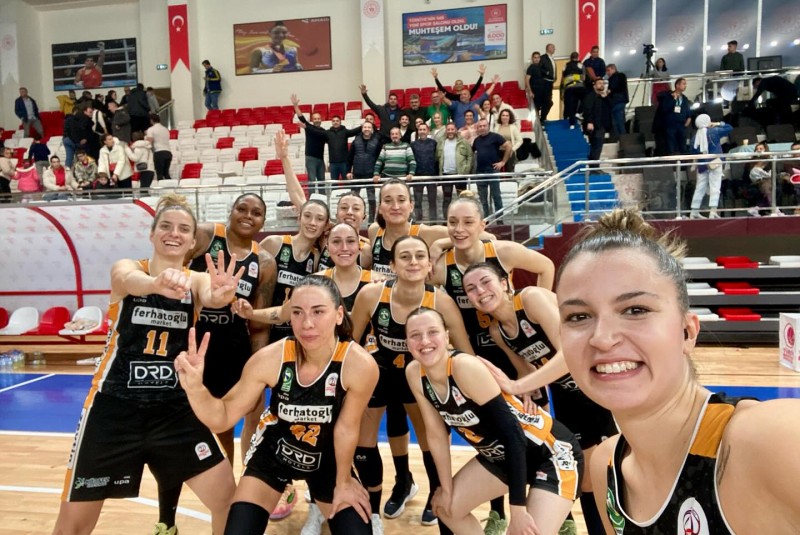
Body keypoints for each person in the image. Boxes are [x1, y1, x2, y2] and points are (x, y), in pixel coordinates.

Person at [556, 208, 800, 533]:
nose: (602, 338)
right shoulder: (606, 466)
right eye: (578, 316)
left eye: (635, 310)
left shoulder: (771, 439)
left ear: (687, 332)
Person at [52, 195, 239, 535]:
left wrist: (222, 295)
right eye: (165, 226)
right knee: (73, 526)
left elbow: (210, 294)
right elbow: (127, 280)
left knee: (228, 498)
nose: (174, 233)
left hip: (173, 409)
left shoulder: (195, 280)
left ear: (192, 241)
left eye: (184, 229)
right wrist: (155, 284)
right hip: (113, 409)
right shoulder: (128, 269)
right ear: (152, 234)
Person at [174, 274, 376, 535]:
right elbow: (221, 418)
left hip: (328, 457)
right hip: (274, 453)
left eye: (318, 312)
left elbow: (347, 428)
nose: (307, 323)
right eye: (297, 312)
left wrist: (344, 481)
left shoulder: (359, 365)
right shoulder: (270, 359)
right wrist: (195, 388)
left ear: (339, 315)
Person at [430, 191, 556, 534]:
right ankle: (498, 512)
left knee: (534, 427)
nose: (459, 228)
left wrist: (541, 309)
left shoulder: (500, 252)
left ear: (482, 225)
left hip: (510, 348)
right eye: (452, 222)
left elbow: (545, 266)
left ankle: (556, 509)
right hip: (474, 356)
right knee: (492, 435)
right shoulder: (441, 265)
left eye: (468, 222)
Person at [152, 194, 277, 535]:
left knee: (222, 433)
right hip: (189, 346)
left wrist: (257, 369)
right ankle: (166, 520)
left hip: (232, 353)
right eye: (242, 209)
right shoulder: (207, 235)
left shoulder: (264, 262)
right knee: (172, 437)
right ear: (230, 211)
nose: (248, 216)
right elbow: (170, 266)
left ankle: (226, 508)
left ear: (263, 221)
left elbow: (258, 324)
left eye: (256, 212)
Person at [462, 261, 615, 535]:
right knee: (588, 481)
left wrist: (517, 384)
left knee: (610, 471)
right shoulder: (497, 332)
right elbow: (527, 371)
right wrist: (528, 396)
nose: (480, 291)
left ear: (505, 283)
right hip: (566, 395)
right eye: (471, 289)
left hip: (598, 383)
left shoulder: (531, 299)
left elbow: (570, 355)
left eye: (486, 282)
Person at [404, 307, 583, 535]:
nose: (424, 341)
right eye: (415, 335)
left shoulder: (463, 366)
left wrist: (517, 510)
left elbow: (514, 436)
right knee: (446, 508)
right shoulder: (414, 373)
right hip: (502, 457)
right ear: (407, 342)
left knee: (522, 532)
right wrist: (446, 489)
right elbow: (436, 434)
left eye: (432, 332)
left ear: (447, 336)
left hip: (551, 453)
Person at [350, 235, 476, 531]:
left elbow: (466, 352)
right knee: (363, 443)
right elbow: (349, 343)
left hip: (421, 376)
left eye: (420, 256)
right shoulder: (371, 294)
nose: (413, 262)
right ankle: (373, 512)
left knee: (431, 438)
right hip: (380, 373)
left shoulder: (441, 302)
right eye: (405, 257)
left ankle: (436, 495)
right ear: (392, 265)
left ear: (430, 264)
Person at [690, 114, 732, 219]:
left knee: (699, 188)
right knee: (715, 187)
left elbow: (693, 152)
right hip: (715, 163)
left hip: (702, 165)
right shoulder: (714, 131)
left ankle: (694, 211)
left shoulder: (694, 138)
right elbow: (729, 128)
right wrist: (717, 123)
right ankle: (713, 211)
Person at [472, 119, 512, 216]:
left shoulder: (495, 137)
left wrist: (503, 162)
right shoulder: (476, 141)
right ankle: (485, 220)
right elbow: (472, 152)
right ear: (478, 128)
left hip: (492, 170)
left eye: (484, 125)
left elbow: (509, 146)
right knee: (482, 200)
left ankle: (499, 220)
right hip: (480, 172)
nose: (482, 128)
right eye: (480, 126)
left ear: (488, 126)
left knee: (496, 197)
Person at [347, 121, 384, 222]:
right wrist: (348, 171)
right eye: (365, 127)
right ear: (362, 129)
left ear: (372, 130)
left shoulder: (377, 141)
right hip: (357, 174)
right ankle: (353, 219)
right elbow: (350, 157)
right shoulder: (356, 141)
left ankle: (371, 221)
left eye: (369, 127)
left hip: (370, 174)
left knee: (371, 199)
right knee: (353, 198)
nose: (367, 129)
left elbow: (380, 158)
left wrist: (378, 173)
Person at [291, 96, 326, 191]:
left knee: (322, 182)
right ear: (312, 120)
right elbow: (301, 117)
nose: (317, 120)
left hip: (320, 159)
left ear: (321, 119)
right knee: (312, 181)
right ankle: (312, 198)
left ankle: (322, 198)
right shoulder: (308, 127)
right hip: (310, 159)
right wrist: (295, 106)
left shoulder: (324, 131)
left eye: (318, 118)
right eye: (315, 119)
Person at [437, 123, 473, 216]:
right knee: (446, 199)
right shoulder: (441, 142)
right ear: (446, 131)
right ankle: (446, 219)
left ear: (456, 130)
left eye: (452, 129)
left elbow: (470, 155)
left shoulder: (463, 142)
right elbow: (437, 157)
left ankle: (464, 217)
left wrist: (466, 169)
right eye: (448, 129)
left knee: (463, 198)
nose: (450, 131)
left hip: (460, 175)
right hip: (446, 176)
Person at [653, 78, 691, 156]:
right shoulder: (668, 96)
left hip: (681, 125)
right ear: (677, 85)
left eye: (685, 84)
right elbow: (664, 109)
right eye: (683, 84)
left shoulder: (684, 98)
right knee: (671, 145)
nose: (685, 86)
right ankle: (671, 159)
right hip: (671, 125)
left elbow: (687, 110)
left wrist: (689, 118)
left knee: (683, 145)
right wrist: (673, 100)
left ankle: (684, 161)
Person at [410, 123, 439, 221]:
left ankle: (433, 222)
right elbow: (411, 160)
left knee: (432, 201)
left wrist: (437, 176)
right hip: (418, 177)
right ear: (418, 131)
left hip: (431, 176)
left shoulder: (434, 143)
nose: (422, 131)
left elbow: (437, 159)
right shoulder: (413, 144)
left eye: (424, 129)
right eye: (420, 129)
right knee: (418, 202)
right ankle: (419, 221)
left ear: (428, 131)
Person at [583, 78, 611, 163]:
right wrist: (590, 122)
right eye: (599, 83)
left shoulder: (604, 97)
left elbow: (610, 107)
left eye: (603, 83)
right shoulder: (590, 96)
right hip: (594, 125)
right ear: (594, 86)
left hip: (602, 125)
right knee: (596, 146)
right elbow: (588, 109)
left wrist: (605, 97)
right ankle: (593, 165)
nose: (601, 85)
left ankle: (594, 165)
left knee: (598, 146)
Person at [562, 52, 586, 129]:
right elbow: (584, 78)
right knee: (585, 99)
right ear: (578, 57)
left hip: (569, 88)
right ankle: (579, 112)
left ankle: (571, 124)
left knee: (570, 106)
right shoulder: (581, 65)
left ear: (570, 57)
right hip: (579, 87)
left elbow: (563, 78)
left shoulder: (565, 65)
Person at [146, 114, 173, 182]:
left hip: (159, 152)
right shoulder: (165, 129)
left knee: (159, 174)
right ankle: (171, 185)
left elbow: (149, 142)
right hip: (168, 152)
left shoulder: (151, 129)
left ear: (151, 120)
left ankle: (161, 187)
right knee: (166, 174)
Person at [606, 64, 629, 136]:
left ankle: (621, 138)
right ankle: (621, 138)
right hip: (617, 101)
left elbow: (620, 87)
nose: (607, 73)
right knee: (617, 122)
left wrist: (611, 91)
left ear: (613, 69)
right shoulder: (617, 77)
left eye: (608, 70)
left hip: (618, 101)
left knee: (618, 122)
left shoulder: (619, 76)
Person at [525, 52, 549, 122]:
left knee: (548, 103)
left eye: (538, 57)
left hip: (543, 90)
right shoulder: (531, 68)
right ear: (532, 58)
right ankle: (538, 122)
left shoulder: (541, 67)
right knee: (537, 107)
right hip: (535, 90)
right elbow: (527, 80)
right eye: (535, 57)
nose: (536, 59)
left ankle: (543, 119)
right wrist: (530, 92)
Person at [540, 43, 557, 120]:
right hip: (545, 82)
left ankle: (543, 117)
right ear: (548, 48)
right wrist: (546, 73)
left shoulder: (551, 58)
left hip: (550, 82)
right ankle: (543, 118)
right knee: (547, 101)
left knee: (549, 102)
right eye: (553, 47)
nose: (554, 49)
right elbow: (540, 67)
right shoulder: (543, 57)